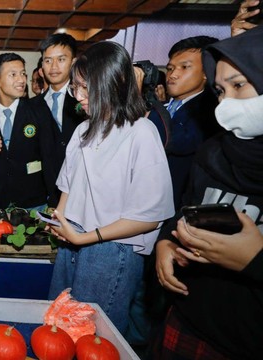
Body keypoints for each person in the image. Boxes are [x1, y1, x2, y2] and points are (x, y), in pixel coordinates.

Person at [47, 41, 174, 336]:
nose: (78, 97)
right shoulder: (82, 129)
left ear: (113, 83)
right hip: (73, 239)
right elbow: (68, 185)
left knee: (93, 336)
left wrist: (84, 238)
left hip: (110, 249)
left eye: (85, 88)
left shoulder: (141, 132)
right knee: (57, 327)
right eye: (75, 88)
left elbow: (149, 216)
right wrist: (59, 219)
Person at [153, 25, 263, 359]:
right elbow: (185, 209)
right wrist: (166, 241)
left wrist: (255, 261)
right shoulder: (213, 152)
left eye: (239, 86)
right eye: (220, 90)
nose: (227, 102)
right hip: (190, 317)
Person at [148, 36, 222, 210]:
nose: (173, 75)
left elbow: (176, 142)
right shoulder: (162, 106)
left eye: (185, 67)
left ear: (207, 72)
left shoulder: (210, 111)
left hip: (174, 204)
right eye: (170, 68)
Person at [0, 53, 52, 211]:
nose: (21, 80)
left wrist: (53, 200)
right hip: (0, 202)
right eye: (13, 74)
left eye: (23, 73)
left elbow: (50, 157)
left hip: (35, 202)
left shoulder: (38, 111)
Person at [33, 33, 85, 207]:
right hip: (45, 196)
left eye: (61, 59)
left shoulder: (86, 101)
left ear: (73, 62)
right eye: (47, 61)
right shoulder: (34, 105)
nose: (53, 67)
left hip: (81, 191)